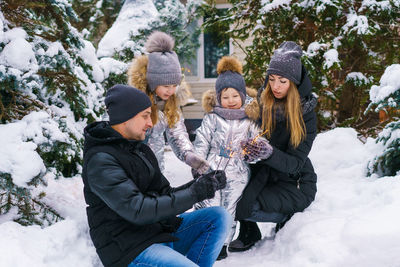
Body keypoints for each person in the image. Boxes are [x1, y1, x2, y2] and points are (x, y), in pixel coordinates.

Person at [82, 84, 232, 267]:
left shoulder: (139, 149)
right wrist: (194, 193)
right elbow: (137, 209)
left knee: (218, 217)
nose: (150, 123)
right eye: (145, 116)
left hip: (157, 232)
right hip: (130, 248)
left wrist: (202, 185)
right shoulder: (101, 161)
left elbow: (164, 193)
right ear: (124, 118)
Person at [228, 41, 318, 252]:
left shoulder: (306, 115)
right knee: (227, 193)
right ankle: (249, 231)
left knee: (244, 206)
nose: (275, 86)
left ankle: (288, 219)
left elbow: (295, 164)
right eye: (272, 79)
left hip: (294, 182)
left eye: (283, 81)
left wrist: (267, 153)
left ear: (294, 83)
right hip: (264, 175)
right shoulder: (263, 104)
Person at [193, 56, 261, 260]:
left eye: (235, 96)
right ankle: (201, 238)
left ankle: (221, 244)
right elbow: (202, 141)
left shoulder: (249, 121)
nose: (230, 101)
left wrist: (253, 152)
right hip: (212, 170)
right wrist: (199, 164)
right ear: (218, 98)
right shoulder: (212, 118)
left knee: (229, 210)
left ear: (242, 96)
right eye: (225, 96)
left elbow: (258, 145)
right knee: (207, 204)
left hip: (238, 174)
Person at [127, 31, 208, 174]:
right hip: (131, 167)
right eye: (165, 86)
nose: (170, 91)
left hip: (155, 168)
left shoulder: (170, 105)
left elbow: (177, 134)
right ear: (153, 82)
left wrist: (189, 155)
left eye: (174, 86)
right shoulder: (132, 102)